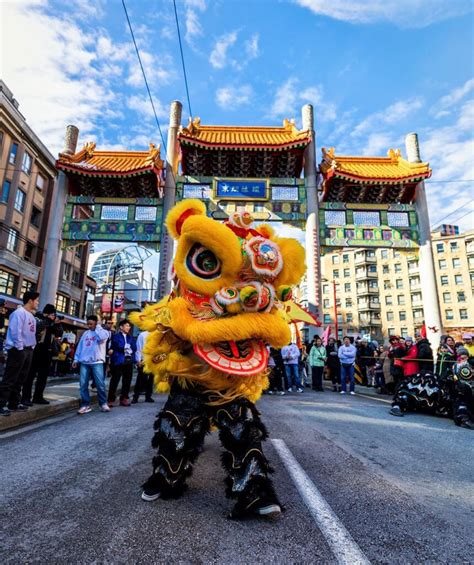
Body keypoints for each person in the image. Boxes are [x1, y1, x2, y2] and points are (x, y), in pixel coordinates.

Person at [0, 292, 39, 416]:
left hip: (28, 350)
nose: (38, 303)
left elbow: (31, 333)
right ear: (30, 301)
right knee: (10, 377)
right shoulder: (18, 313)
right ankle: (1, 404)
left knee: (21, 378)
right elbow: (16, 332)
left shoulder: (31, 316)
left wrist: (31, 347)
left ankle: (14, 403)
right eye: (36, 300)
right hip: (18, 350)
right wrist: (20, 348)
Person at [21, 303, 63, 406]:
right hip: (35, 350)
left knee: (43, 377)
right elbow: (38, 327)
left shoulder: (53, 321)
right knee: (30, 376)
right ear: (46, 313)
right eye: (51, 314)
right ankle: (26, 398)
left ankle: (38, 397)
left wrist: (57, 323)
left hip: (47, 352)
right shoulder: (37, 317)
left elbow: (59, 333)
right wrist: (48, 320)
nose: (53, 316)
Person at [72, 315, 110, 414]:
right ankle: (85, 405)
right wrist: (76, 359)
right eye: (88, 324)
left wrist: (98, 327)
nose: (89, 326)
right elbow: (80, 347)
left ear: (96, 323)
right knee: (83, 384)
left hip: (97, 362)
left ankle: (103, 403)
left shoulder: (103, 332)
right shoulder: (85, 334)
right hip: (84, 362)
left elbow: (102, 338)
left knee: (100, 384)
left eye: (91, 324)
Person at [107, 319, 137, 407]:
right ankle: (110, 399)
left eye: (129, 326)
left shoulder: (131, 337)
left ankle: (124, 398)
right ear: (121, 327)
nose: (129, 327)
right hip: (118, 361)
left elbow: (134, 348)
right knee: (114, 380)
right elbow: (118, 345)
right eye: (127, 326)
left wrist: (126, 348)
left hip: (128, 361)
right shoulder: (116, 336)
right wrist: (126, 348)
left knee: (127, 381)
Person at [452, 347, 473, 429]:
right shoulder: (455, 365)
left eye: (464, 354)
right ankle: (463, 419)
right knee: (461, 402)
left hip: (471, 386)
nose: (463, 356)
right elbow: (455, 376)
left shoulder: (471, 363)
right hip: (461, 387)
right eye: (461, 354)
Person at [132, 330, 154, 403]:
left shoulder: (157, 334)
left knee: (151, 379)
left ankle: (148, 396)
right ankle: (136, 396)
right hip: (143, 360)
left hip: (153, 360)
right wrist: (138, 360)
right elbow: (139, 348)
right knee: (140, 378)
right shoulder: (142, 335)